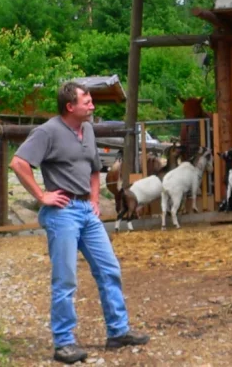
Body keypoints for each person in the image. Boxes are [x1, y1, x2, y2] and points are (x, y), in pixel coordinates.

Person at [9, 81, 150, 364]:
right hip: (62, 213)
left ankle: (118, 331)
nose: (92, 104)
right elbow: (18, 163)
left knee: (109, 268)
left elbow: (94, 170)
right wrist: (41, 195)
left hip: (86, 210)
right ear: (70, 106)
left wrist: (95, 201)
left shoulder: (87, 130)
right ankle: (64, 343)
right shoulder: (47, 131)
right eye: (87, 100)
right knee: (66, 279)